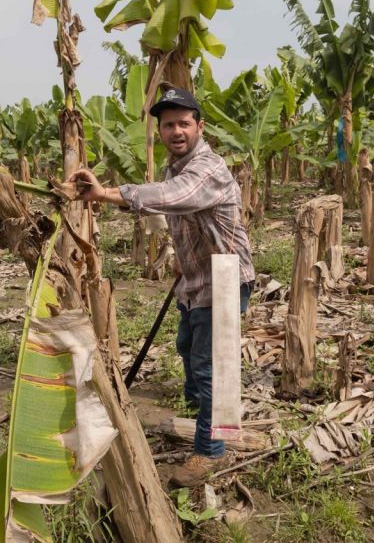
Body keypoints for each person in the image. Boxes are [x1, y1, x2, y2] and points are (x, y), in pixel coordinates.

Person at [67, 82, 255, 487]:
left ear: (200, 127)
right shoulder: (176, 166)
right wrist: (182, 264)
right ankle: (199, 409)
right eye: (168, 126)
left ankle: (212, 449)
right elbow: (183, 216)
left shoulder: (207, 169)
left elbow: (172, 197)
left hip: (223, 276)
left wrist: (104, 193)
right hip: (195, 277)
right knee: (187, 347)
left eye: (184, 124)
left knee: (213, 368)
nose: (176, 132)